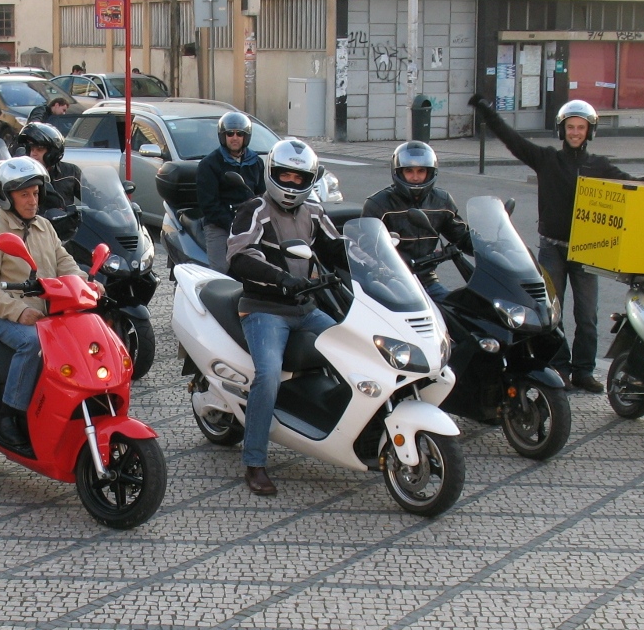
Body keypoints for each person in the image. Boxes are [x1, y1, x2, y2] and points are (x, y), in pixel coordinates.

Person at [470, 95, 644, 392]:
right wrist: (489, 112)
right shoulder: (547, 159)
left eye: (581, 128)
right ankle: (559, 368)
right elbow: (513, 141)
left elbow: (632, 187)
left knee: (587, 316)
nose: (575, 132)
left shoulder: (599, 166)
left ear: (590, 132)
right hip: (552, 247)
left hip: (587, 251)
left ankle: (583, 371)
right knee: (554, 315)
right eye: (570, 127)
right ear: (561, 130)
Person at [227, 139, 348, 495]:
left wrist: (373, 254)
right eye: (285, 175)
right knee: (268, 376)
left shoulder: (314, 211)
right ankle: (254, 462)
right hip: (264, 309)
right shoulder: (255, 209)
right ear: (271, 173)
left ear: (309, 179)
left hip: (306, 307)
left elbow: (335, 247)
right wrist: (281, 278)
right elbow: (236, 257)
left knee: (352, 349)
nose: (292, 184)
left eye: (299, 178)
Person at [0, 157, 100, 450]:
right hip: (6, 317)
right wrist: (19, 311)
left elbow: (64, 263)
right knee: (34, 345)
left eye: (36, 193)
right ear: (7, 196)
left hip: (50, 312)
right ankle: (9, 417)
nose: (32, 201)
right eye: (24, 194)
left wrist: (86, 283)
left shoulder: (44, 226)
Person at [362, 142, 471, 301]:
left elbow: (461, 236)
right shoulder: (379, 204)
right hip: (390, 282)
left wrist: (490, 244)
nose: (415, 177)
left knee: (457, 312)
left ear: (430, 172)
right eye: (409, 171)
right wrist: (392, 262)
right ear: (398, 172)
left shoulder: (442, 202)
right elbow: (365, 247)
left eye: (421, 171)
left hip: (427, 280)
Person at [196, 111, 265, 272]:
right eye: (230, 133)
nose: (235, 138)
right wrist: (233, 224)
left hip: (249, 222)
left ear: (246, 136)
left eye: (240, 134)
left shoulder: (256, 162)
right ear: (223, 136)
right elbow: (209, 206)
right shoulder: (209, 164)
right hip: (220, 224)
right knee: (221, 270)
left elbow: (262, 195)